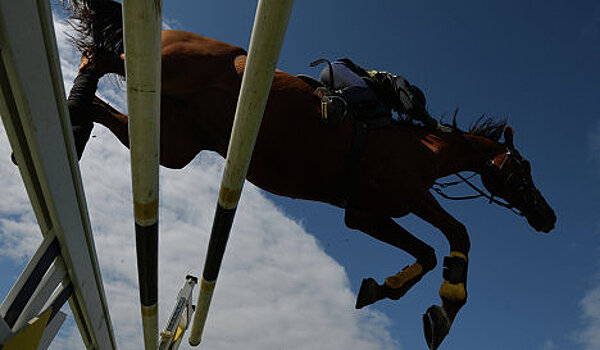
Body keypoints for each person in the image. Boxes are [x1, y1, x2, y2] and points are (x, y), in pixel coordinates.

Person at [315, 58, 438, 129]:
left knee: (378, 114)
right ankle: (333, 99)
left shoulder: (385, 105)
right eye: (403, 111)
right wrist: (429, 121)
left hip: (343, 82)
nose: (402, 112)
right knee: (368, 93)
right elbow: (411, 105)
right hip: (337, 70)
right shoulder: (399, 81)